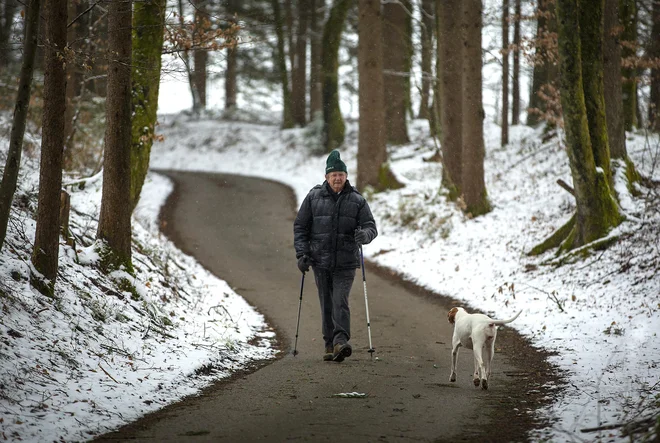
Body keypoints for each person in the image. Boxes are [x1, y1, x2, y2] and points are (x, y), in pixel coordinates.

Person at [293, 150, 378, 362]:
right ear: (326, 177)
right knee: (326, 303)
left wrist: (364, 235)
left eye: (341, 174)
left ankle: (341, 341)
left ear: (346, 176)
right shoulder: (313, 197)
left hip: (346, 262)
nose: (338, 178)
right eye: (334, 175)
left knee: (340, 300)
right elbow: (301, 227)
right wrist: (302, 254)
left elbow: (370, 227)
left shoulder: (357, 200)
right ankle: (329, 344)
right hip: (319, 261)